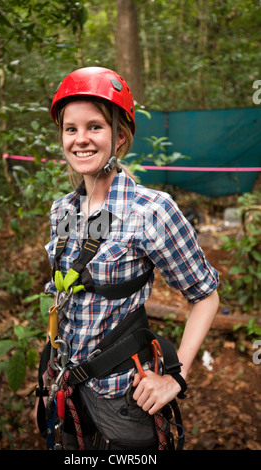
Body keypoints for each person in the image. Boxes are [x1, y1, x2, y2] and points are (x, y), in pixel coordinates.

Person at [39, 66, 219, 450]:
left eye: (95, 127)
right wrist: (49, 371)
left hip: (122, 394)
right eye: (71, 129)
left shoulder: (150, 210)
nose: (80, 139)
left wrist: (176, 377)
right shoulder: (63, 211)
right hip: (67, 388)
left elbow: (205, 295)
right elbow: (67, 298)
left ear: (119, 137)